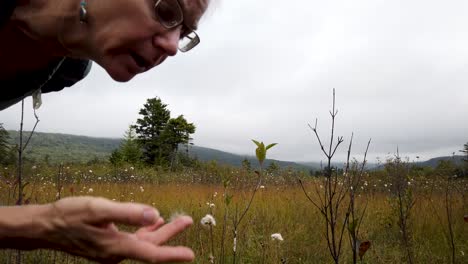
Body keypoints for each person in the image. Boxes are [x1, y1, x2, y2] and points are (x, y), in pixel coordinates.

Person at [0, 0, 211, 262]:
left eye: (182, 33)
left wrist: (41, 225)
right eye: (165, 9)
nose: (171, 47)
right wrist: (43, 224)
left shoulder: (67, 70)